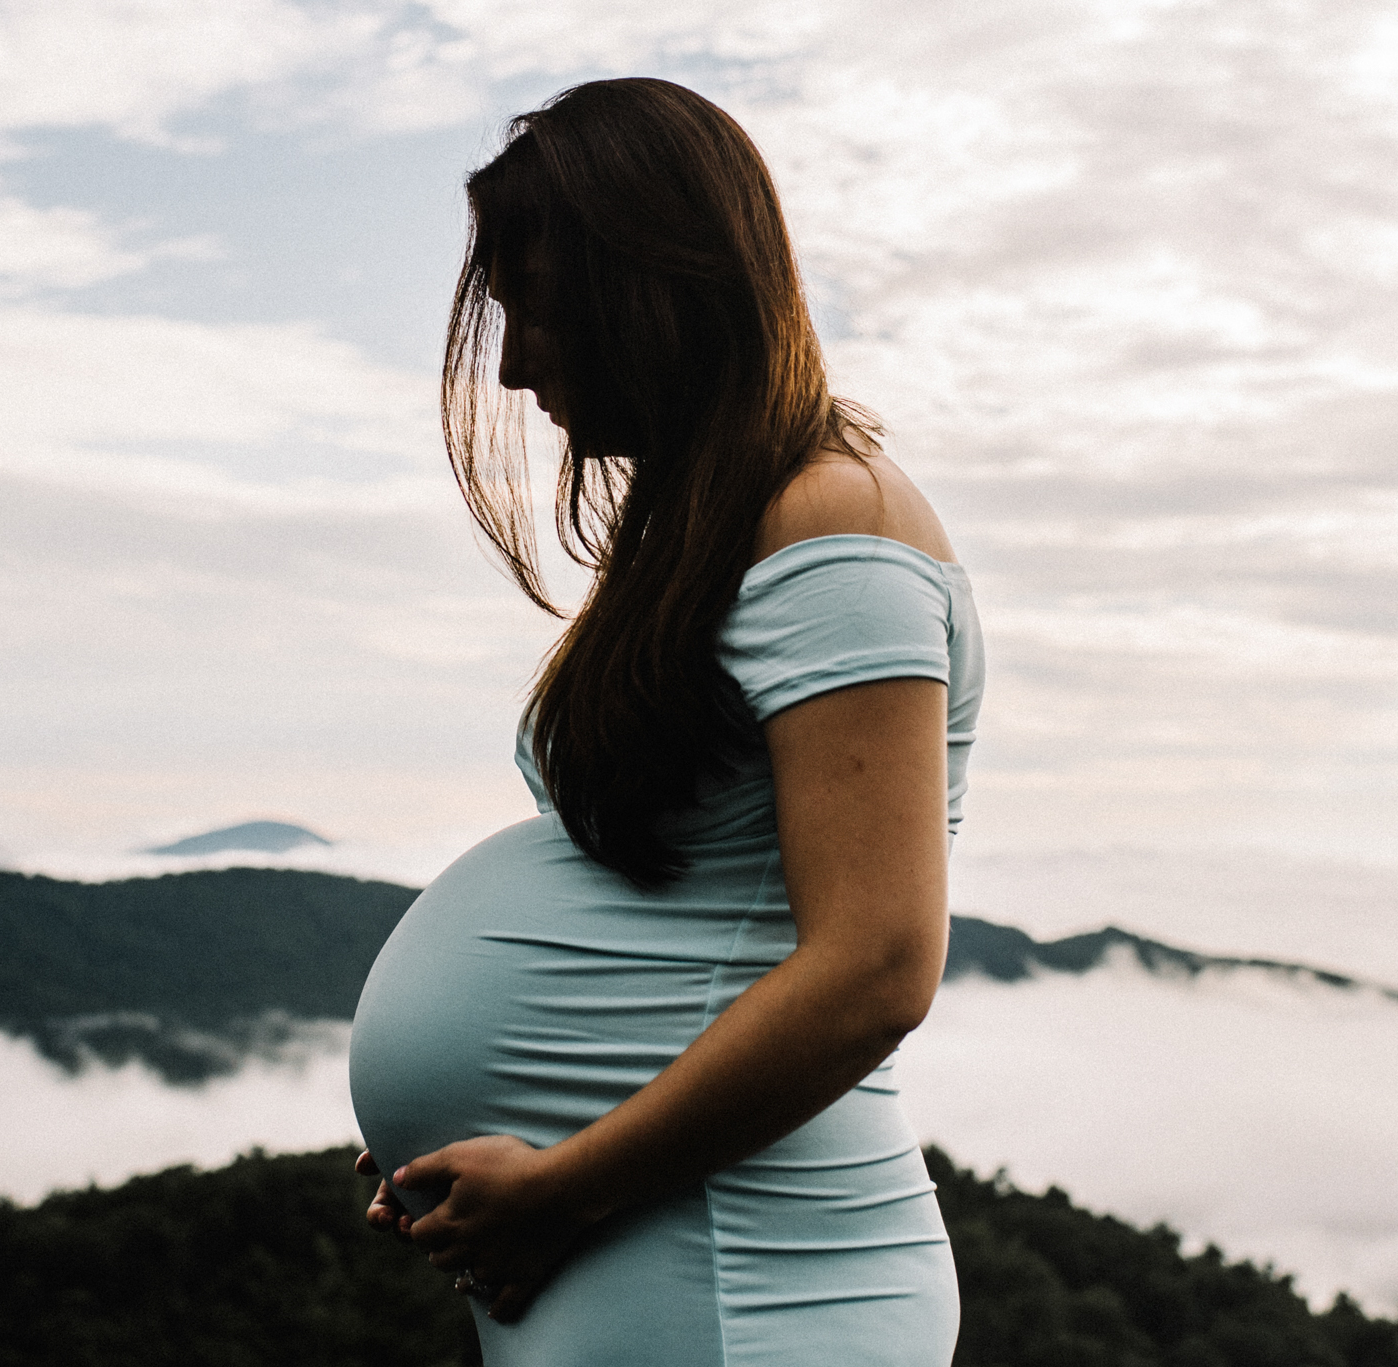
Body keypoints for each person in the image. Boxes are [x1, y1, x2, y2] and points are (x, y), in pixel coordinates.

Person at [347, 76, 983, 1366]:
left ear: (652, 285)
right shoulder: (729, 526)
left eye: (539, 317)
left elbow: (876, 965)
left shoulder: (834, 526)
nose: (517, 368)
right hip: (653, 1252)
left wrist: (560, 1182)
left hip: (750, 1273)